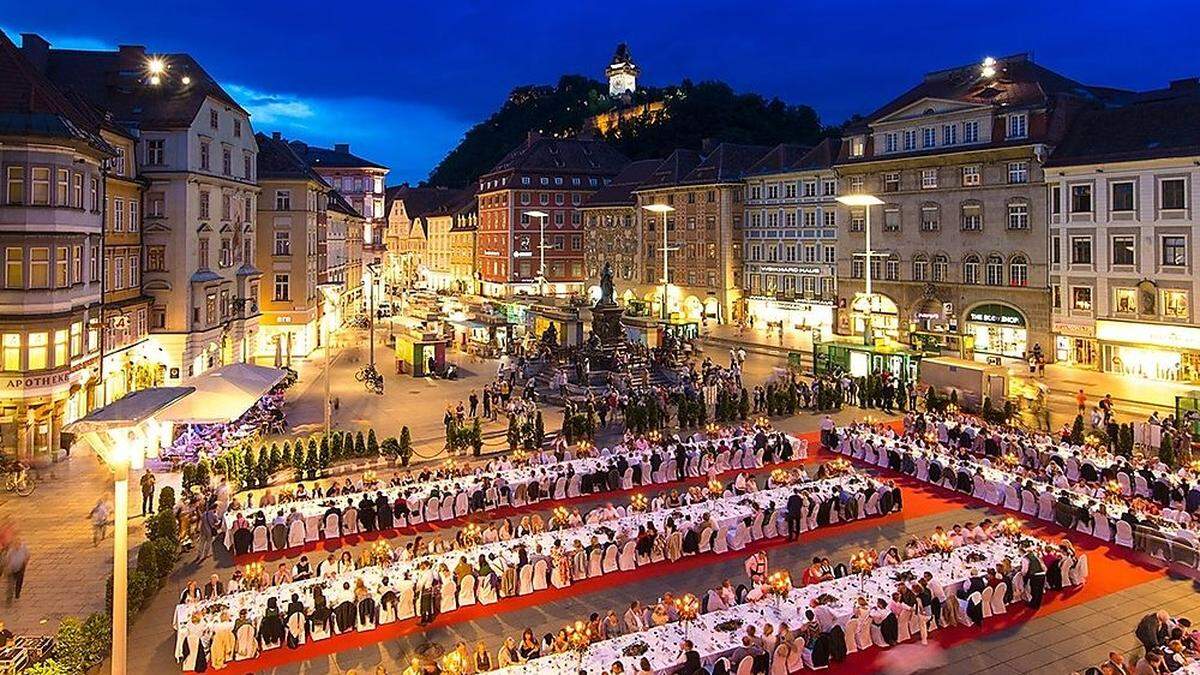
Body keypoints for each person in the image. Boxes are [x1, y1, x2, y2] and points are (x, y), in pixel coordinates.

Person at [5, 541, 27, 605]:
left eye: (18, 545)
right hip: (11, 570)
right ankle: (9, 599)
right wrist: (8, 567)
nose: (17, 546)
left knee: (19, 582)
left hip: (20, 569)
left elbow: (27, 556)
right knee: (10, 585)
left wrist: (25, 563)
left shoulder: (23, 549)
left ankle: (17, 593)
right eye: (15, 545)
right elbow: (7, 559)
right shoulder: (11, 551)